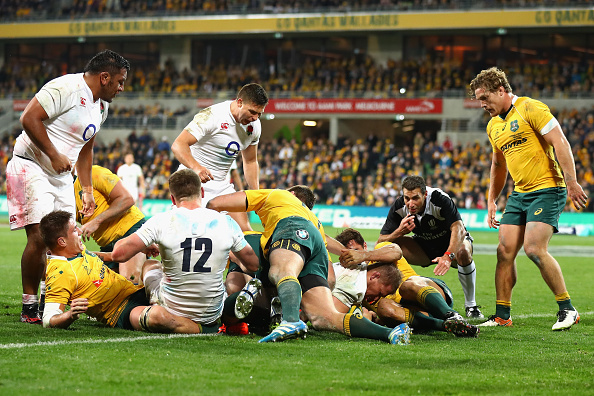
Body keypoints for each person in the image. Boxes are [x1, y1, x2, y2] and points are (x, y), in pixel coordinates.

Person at [6, 49, 129, 324]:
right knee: (40, 236)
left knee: (66, 242)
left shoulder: (102, 106)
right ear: (105, 77)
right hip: (32, 164)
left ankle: (48, 300)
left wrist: (86, 189)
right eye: (120, 81)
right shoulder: (66, 87)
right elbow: (28, 118)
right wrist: (52, 154)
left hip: (61, 175)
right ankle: (28, 306)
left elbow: (87, 147)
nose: (122, 88)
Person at [207, 186, 411, 345]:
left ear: (292, 193)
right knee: (325, 317)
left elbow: (216, 203)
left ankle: (289, 321)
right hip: (315, 246)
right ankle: (390, 333)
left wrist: (202, 218)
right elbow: (330, 276)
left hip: (290, 227)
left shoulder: (276, 195)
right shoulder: (315, 219)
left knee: (281, 271)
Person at [469, 67, 588, 330]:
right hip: (520, 194)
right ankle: (502, 315)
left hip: (548, 189)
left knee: (534, 248)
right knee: (504, 251)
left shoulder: (530, 108)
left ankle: (567, 309)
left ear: (501, 90)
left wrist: (571, 182)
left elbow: (561, 142)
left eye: (485, 97)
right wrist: (491, 200)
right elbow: (498, 165)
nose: (482, 104)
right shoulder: (493, 126)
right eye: (479, 100)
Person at [111, 169, 260, 332]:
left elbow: (119, 254)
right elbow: (253, 264)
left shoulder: (161, 220)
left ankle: (155, 307)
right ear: (202, 192)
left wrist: (140, 240)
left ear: (172, 199)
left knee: (151, 265)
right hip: (211, 312)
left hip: (171, 308)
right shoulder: (225, 221)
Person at [39, 210, 200, 333]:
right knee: (158, 317)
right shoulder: (59, 273)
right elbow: (48, 320)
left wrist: (140, 248)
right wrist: (70, 315)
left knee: (151, 264)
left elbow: (95, 257)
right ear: (61, 241)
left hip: (133, 291)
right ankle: (205, 329)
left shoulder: (74, 250)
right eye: (75, 230)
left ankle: (156, 298)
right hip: (121, 311)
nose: (80, 232)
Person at [377, 175, 483, 319]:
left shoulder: (439, 199)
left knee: (464, 251)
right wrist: (399, 232)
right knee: (389, 247)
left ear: (425, 194)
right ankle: (396, 298)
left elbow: (459, 229)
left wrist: (448, 255)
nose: (410, 203)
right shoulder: (399, 206)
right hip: (424, 247)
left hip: (451, 246)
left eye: (415, 198)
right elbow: (380, 242)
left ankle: (471, 306)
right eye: (407, 198)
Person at [171, 83, 268, 232]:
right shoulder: (212, 115)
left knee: (245, 232)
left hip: (222, 186)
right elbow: (178, 145)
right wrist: (196, 167)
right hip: (192, 183)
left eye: (259, 114)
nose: (255, 118)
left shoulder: (254, 127)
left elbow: (250, 161)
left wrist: (256, 194)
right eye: (252, 112)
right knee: (188, 236)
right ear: (240, 102)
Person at [74, 165, 148, 283]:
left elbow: (127, 199)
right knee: (104, 290)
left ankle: (155, 279)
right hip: (107, 245)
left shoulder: (93, 173)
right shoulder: (65, 194)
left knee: (129, 282)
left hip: (130, 230)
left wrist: (96, 221)